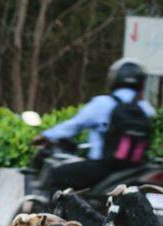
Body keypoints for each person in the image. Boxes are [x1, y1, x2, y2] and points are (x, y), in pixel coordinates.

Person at [35, 59, 155, 193]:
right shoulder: (147, 109)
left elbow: (73, 126)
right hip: (136, 168)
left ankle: (52, 213)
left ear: (115, 79)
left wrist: (45, 135)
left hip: (103, 167)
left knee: (57, 175)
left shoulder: (102, 103)